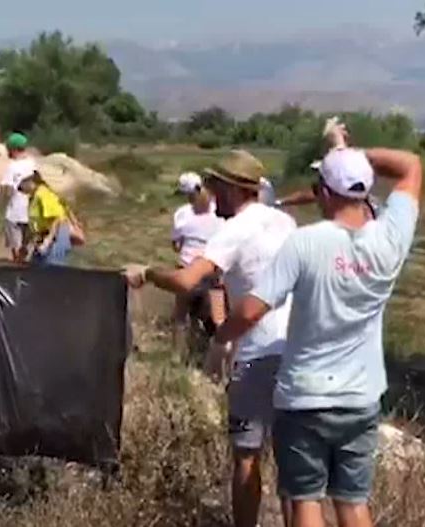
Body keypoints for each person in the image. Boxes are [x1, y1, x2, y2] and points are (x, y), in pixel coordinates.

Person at [212, 147, 422, 527]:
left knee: (306, 501)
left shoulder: (305, 242)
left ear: (324, 192)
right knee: (353, 503)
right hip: (361, 397)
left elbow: (252, 310)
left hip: (304, 397)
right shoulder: (391, 239)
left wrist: (221, 336)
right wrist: (356, 155)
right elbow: (411, 165)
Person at [124, 150, 297, 527]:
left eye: (215, 186)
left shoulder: (232, 231)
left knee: (247, 455)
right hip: (299, 350)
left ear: (232, 188)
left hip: (257, 353)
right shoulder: (285, 222)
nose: (211, 194)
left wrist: (147, 272)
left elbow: (187, 280)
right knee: (293, 462)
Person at [170, 172, 225, 348]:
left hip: (187, 268)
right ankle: (218, 353)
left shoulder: (182, 213)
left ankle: (177, 355)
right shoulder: (219, 209)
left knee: (180, 317)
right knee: (219, 319)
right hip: (213, 268)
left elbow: (176, 245)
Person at [18, 172, 72, 266]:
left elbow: (56, 219)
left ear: (31, 183)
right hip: (43, 235)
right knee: (36, 265)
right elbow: (34, 224)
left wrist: (48, 241)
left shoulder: (43, 194)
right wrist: (27, 244)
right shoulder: (33, 197)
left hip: (56, 235)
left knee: (51, 266)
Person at [1, 133, 36, 262]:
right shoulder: (33, 164)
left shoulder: (12, 166)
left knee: (16, 249)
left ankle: (17, 267)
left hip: (14, 213)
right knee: (25, 248)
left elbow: (7, 190)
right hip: (31, 212)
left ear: (13, 149)